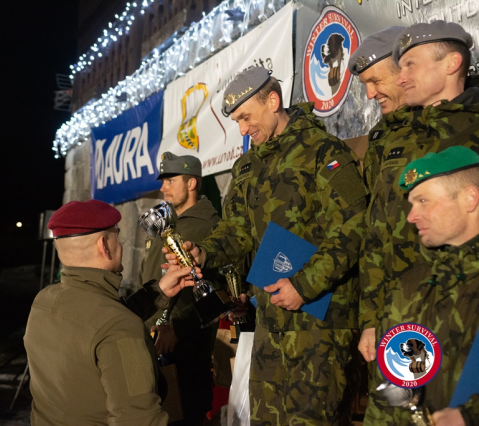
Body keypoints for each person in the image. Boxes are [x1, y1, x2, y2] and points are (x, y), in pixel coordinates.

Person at [166, 66, 368, 424]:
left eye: (246, 117)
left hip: (319, 323)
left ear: (273, 101)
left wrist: (303, 286)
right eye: (237, 122)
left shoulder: (323, 152)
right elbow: (236, 230)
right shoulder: (247, 167)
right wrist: (205, 252)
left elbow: (354, 226)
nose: (242, 130)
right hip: (270, 322)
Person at [356, 21, 479, 423]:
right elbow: (375, 234)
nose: (400, 77)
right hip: (398, 312)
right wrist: (373, 317)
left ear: (452, 64)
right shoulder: (393, 137)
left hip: (461, 317)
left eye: (409, 65)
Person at [24, 199, 200, 426]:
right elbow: (139, 419)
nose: (121, 243)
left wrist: (159, 291)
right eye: (116, 235)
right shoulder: (120, 327)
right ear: (103, 245)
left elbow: (96, 322)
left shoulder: (43, 301)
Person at [365, 146, 479, 425]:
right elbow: (392, 394)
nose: (411, 216)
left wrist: (468, 416)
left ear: (470, 198)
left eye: (423, 201)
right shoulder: (411, 285)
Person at [140, 151, 219, 425]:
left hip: (185, 342)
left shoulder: (208, 225)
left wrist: (173, 324)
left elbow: (209, 287)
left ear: (192, 183)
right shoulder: (165, 222)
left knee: (187, 413)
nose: (163, 187)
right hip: (151, 335)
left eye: (170, 180)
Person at [347, 26, 406, 189]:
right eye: (365, 84)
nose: (369, 94)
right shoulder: (379, 134)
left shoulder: (444, 122)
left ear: (405, 72)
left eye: (376, 81)